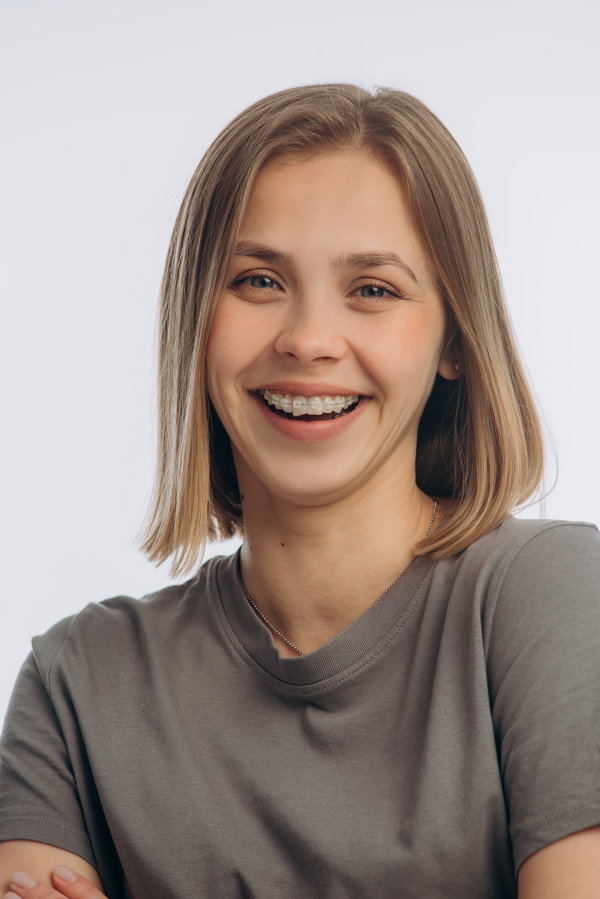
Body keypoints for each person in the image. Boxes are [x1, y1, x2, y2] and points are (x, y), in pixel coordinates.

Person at [1, 84, 599, 899]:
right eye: (257, 280)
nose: (308, 339)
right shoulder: (76, 682)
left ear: (454, 338)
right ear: (196, 321)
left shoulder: (555, 597)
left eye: (374, 289)